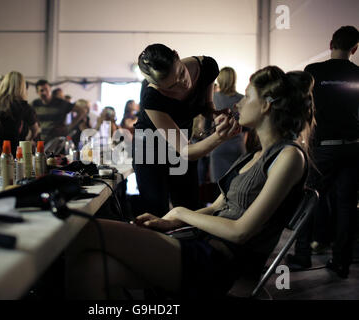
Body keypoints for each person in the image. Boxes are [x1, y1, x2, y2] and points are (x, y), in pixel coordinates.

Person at [65, 66, 315, 299]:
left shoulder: (289, 156)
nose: (238, 103)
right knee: (90, 269)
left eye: (247, 97)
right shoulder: (252, 155)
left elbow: (241, 232)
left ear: (266, 106)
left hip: (221, 263)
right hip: (202, 245)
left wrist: (182, 211)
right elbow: (216, 206)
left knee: (85, 230)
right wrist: (172, 221)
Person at [132, 43, 240, 216]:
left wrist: (215, 115)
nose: (182, 84)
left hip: (182, 139)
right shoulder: (151, 97)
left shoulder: (207, 67)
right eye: (170, 87)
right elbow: (185, 151)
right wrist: (220, 137)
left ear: (177, 55)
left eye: (181, 73)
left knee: (188, 205)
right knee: (156, 210)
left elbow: (206, 105)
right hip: (150, 148)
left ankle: (187, 244)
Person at [287, 26, 359, 278]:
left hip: (322, 148)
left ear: (331, 44)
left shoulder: (314, 72)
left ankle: (302, 256)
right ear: (355, 48)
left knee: (308, 200)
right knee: (346, 207)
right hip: (352, 147)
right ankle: (341, 263)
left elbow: (303, 107)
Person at [0, 71, 40, 157]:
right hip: (15, 153)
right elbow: (35, 130)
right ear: (22, 87)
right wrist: (29, 140)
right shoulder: (24, 107)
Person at [209, 67, 246, 182]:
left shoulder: (213, 98)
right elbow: (246, 129)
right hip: (237, 147)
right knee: (236, 185)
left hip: (218, 147)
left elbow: (207, 127)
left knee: (218, 188)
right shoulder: (242, 99)